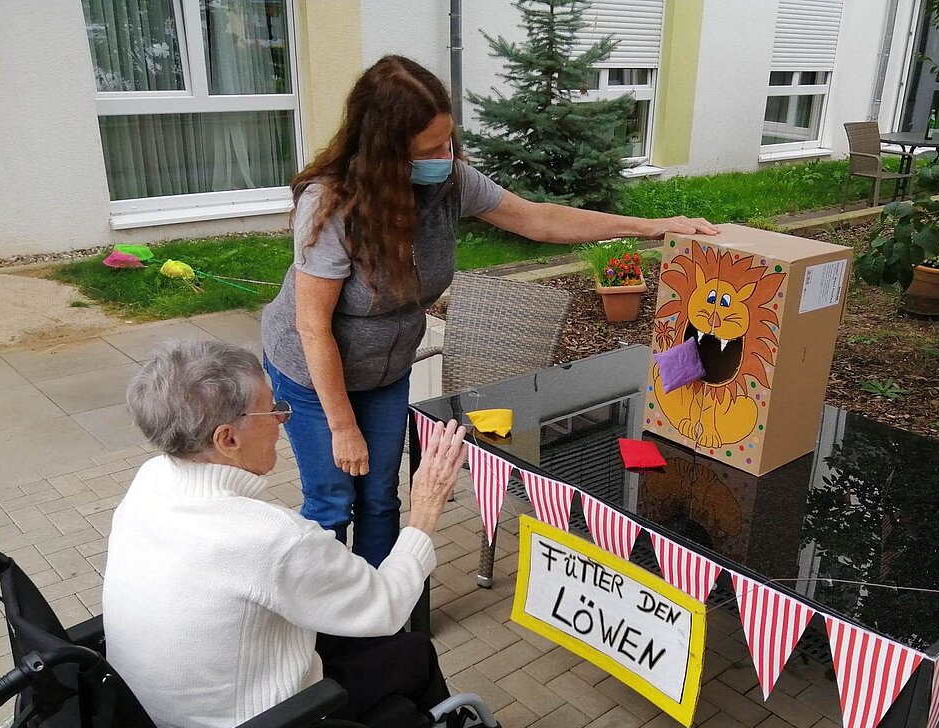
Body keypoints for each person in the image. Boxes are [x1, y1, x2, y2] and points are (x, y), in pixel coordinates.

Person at [261, 54, 719, 566]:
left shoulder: (449, 181)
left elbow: (539, 219)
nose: (446, 154)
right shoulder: (332, 206)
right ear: (386, 152)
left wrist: (650, 226)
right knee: (331, 502)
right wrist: (343, 426)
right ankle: (323, 625)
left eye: (448, 140)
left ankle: (377, 616)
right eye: (430, 147)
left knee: (380, 499)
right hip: (312, 372)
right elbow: (312, 326)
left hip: (384, 370)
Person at [102, 338, 466, 728]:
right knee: (411, 650)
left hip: (154, 723)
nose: (282, 420)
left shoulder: (151, 480)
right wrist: (424, 513)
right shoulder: (271, 537)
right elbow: (385, 607)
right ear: (227, 440)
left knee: (356, 635)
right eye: (272, 410)